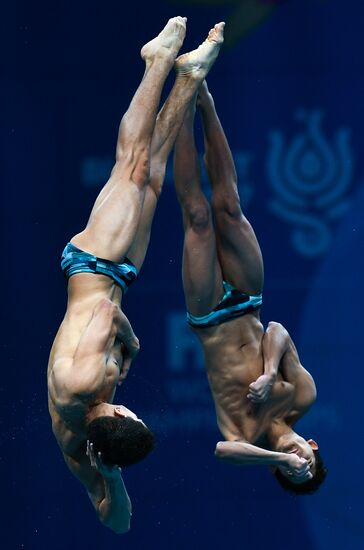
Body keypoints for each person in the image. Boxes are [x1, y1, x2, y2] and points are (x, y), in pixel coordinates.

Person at [47, 18, 225, 533]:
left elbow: (106, 312)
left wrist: (133, 344)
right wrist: (112, 478)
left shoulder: (82, 387)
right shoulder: (77, 443)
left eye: (133, 415)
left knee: (132, 163)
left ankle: (156, 62)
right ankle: (188, 78)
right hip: (118, 271)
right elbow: (117, 523)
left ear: (121, 417)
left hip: (92, 263)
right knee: (154, 174)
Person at [173, 80, 327, 495]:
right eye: (306, 462)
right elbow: (277, 330)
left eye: (294, 472)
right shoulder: (303, 397)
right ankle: (203, 97)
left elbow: (224, 450)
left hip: (209, 318)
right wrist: (271, 373)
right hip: (249, 301)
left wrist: (278, 458)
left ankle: (181, 108)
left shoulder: (243, 432)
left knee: (197, 215)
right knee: (228, 204)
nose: (299, 463)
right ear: (312, 446)